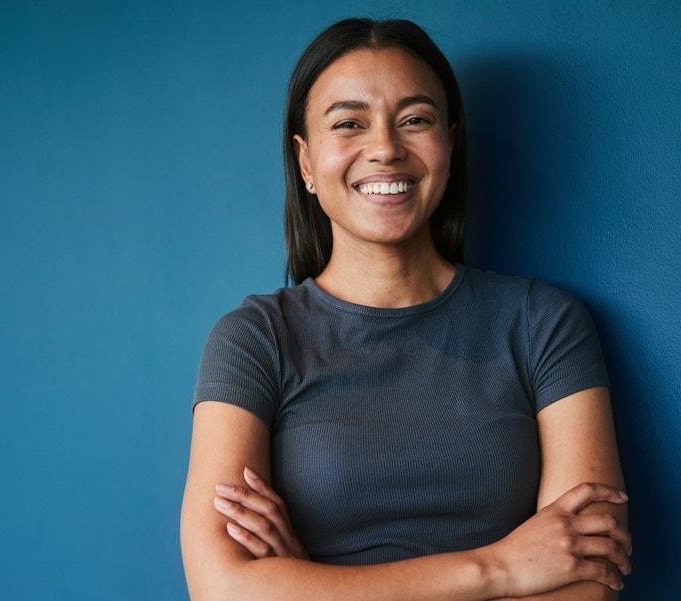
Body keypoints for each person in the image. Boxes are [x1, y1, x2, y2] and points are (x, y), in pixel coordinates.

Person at [181, 17, 631, 601]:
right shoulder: (255, 339)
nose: (386, 149)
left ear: (449, 143)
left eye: (415, 120)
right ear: (306, 163)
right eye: (349, 124)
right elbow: (222, 589)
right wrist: (499, 568)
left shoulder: (545, 325)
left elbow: (586, 585)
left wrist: (313, 585)